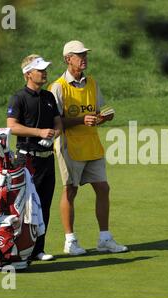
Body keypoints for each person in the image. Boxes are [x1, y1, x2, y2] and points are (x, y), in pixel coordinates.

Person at [49, 40, 128, 255]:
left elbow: (94, 115)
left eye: (85, 54)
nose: (83, 58)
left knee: (103, 188)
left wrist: (104, 118)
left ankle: (105, 238)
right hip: (69, 146)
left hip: (92, 145)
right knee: (70, 190)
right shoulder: (58, 87)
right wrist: (81, 120)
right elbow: (54, 122)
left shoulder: (92, 82)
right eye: (78, 55)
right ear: (68, 59)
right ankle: (70, 241)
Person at [7, 54, 62, 261]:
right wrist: (39, 133)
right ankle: (21, 249)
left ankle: (38, 249)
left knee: (44, 204)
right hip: (27, 159)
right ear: (28, 74)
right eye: (40, 70)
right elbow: (12, 126)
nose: (45, 72)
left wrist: (53, 136)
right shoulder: (19, 97)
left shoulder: (48, 97)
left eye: (45, 69)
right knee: (26, 205)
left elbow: (58, 124)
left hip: (47, 159)